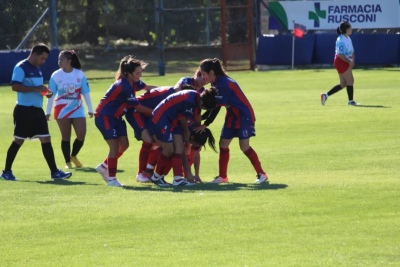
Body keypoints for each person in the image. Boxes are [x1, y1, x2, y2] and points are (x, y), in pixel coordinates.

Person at [1, 43, 72, 181]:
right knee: (18, 140)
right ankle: (6, 172)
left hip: (37, 110)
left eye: (45, 59)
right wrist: (36, 88)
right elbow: (15, 86)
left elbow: (37, 88)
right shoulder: (20, 67)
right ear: (34, 54)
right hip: (24, 110)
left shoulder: (38, 69)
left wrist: (45, 92)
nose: (43, 61)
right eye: (42, 58)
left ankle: (54, 172)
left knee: (46, 138)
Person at [199, 58, 268, 184]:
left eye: (203, 74)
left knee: (244, 147)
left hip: (244, 116)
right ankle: (222, 177)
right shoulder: (215, 83)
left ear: (211, 72)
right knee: (223, 144)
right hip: (232, 115)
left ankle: (262, 174)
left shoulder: (223, 84)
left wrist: (206, 123)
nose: (202, 77)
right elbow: (214, 105)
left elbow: (215, 108)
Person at [94, 57, 152, 187]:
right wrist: (157, 112)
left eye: (140, 72)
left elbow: (147, 87)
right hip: (105, 117)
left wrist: (169, 90)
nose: (140, 75)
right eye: (137, 73)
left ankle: (104, 166)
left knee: (124, 145)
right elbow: (138, 107)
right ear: (128, 73)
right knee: (114, 147)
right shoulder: (124, 85)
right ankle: (112, 179)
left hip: (117, 118)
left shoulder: (133, 81)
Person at [149, 89, 217, 187]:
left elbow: (195, 118)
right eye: (203, 107)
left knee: (179, 148)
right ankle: (156, 176)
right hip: (163, 118)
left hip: (174, 120)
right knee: (169, 149)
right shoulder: (190, 101)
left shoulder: (197, 99)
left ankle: (177, 179)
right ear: (202, 102)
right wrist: (186, 131)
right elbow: (184, 119)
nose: (202, 108)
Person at [45, 50, 93, 169]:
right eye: (58, 59)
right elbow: (50, 95)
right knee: (65, 136)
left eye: (61, 59)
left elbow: (85, 92)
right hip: (61, 109)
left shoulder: (79, 74)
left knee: (81, 134)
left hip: (77, 108)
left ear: (69, 61)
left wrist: (90, 109)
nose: (59, 62)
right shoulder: (55, 75)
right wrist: (47, 112)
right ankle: (68, 162)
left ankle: (73, 155)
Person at [321, 22, 358, 106]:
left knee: (343, 84)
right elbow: (340, 54)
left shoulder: (348, 38)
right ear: (346, 29)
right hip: (340, 61)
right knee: (350, 80)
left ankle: (325, 95)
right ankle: (351, 101)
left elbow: (352, 51)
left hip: (345, 60)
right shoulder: (341, 40)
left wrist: (353, 60)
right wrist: (349, 61)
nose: (351, 29)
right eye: (350, 28)